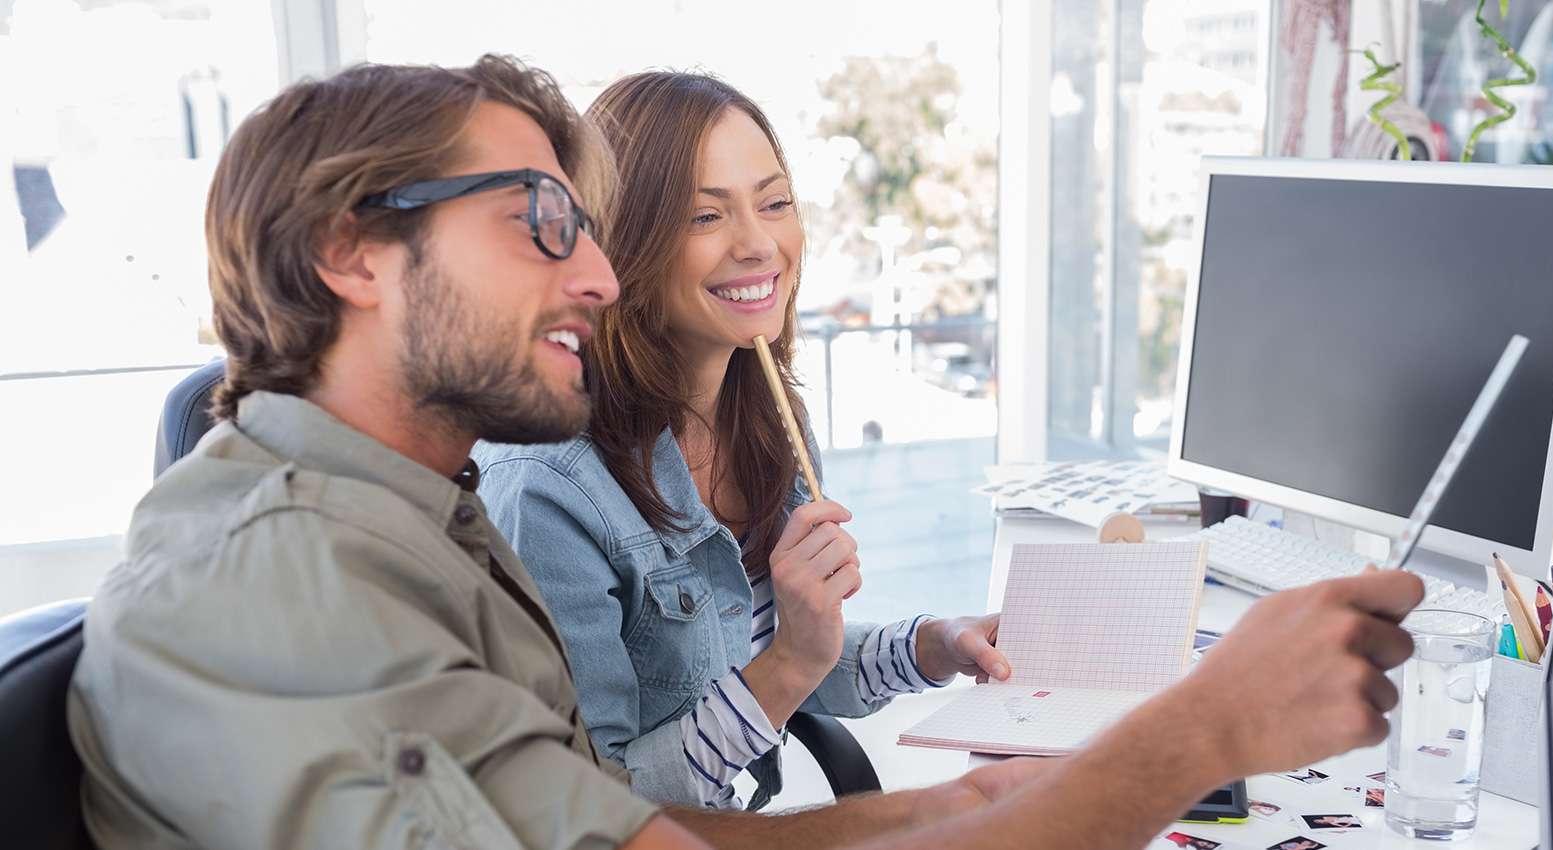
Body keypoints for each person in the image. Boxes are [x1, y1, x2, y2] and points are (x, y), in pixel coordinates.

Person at [68, 54, 1423, 850]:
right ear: (347, 253)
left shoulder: (425, 516)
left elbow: (590, 818)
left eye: (593, 227)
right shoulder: (290, 578)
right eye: (545, 220)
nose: (594, 275)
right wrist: (1205, 729)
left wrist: (954, 801)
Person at [471, 70, 1003, 809]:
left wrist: (936, 646)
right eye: (704, 217)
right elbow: (603, 800)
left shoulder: (765, 412)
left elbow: (778, 655)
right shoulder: (545, 488)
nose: (760, 245)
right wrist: (789, 664)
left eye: (776, 203)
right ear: (622, 242)